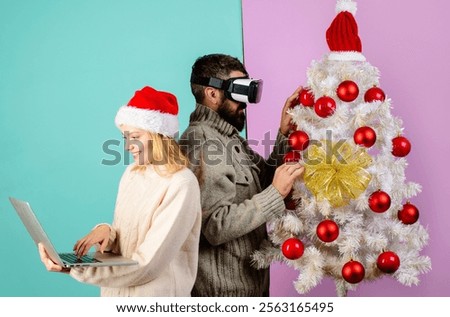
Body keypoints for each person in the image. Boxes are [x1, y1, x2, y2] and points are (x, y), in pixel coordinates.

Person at [38, 86, 202, 296]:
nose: (128, 146)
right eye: (125, 138)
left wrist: (74, 268)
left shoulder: (181, 183)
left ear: (159, 135)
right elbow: (130, 238)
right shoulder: (132, 173)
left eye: (135, 136)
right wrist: (107, 231)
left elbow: (147, 264)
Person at [179, 53, 304, 296]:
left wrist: (284, 133)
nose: (245, 103)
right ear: (212, 93)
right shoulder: (201, 141)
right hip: (222, 297)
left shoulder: (230, 139)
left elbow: (265, 181)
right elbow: (214, 226)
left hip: (251, 289)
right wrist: (275, 194)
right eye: (239, 92)